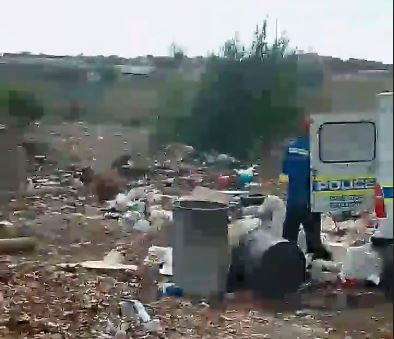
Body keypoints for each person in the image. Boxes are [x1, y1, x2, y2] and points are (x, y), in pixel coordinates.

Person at [281, 116, 331, 260]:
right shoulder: (316, 149)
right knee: (313, 239)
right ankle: (315, 265)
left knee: (289, 237)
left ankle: (286, 263)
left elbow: (284, 173)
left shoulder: (289, 147)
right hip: (311, 201)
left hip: (293, 200)